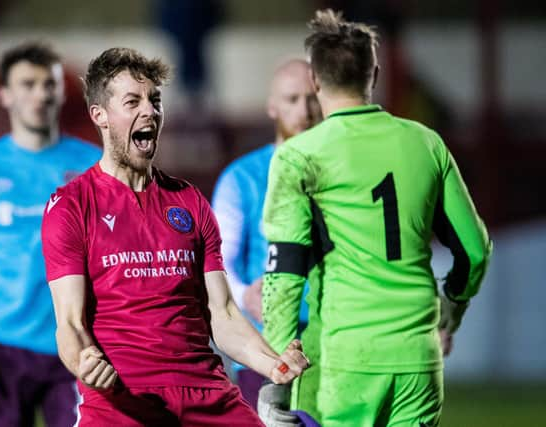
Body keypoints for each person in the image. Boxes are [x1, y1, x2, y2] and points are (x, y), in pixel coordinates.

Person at [40, 47, 310, 427]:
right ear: (99, 115)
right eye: (132, 102)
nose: (149, 111)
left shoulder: (188, 200)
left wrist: (273, 363)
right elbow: (69, 323)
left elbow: (223, 312)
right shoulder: (71, 205)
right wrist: (83, 361)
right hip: (124, 398)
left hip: (206, 393)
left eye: (155, 100)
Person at [259, 9, 492, 427]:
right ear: (375, 72)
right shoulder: (426, 143)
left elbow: (286, 273)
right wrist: (452, 306)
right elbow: (474, 251)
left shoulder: (299, 155)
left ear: (315, 79)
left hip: (350, 361)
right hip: (418, 358)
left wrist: (276, 377)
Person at [0, 41, 101, 427]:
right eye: (27, 84)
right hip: (3, 344)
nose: (40, 94)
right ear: (5, 95)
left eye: (49, 84)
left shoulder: (94, 164)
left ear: (62, 91)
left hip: (79, 343)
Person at [211, 58, 321, 408]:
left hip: (335, 345)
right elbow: (217, 262)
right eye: (292, 99)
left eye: (312, 97)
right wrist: (245, 297)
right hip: (266, 348)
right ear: (272, 106)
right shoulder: (241, 179)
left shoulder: (345, 174)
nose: (303, 110)